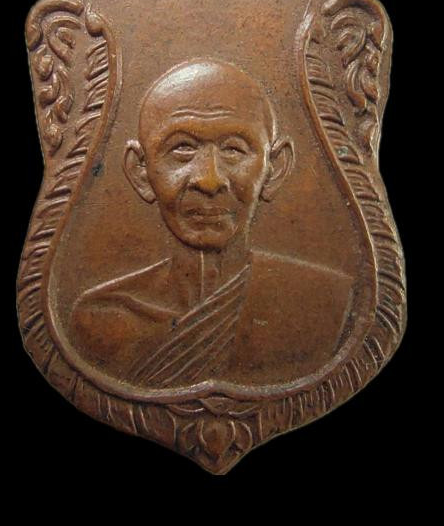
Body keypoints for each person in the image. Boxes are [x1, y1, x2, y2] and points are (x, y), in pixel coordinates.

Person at [70, 59, 354, 388]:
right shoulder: (103, 318)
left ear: (274, 168)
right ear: (140, 172)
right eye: (182, 149)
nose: (209, 180)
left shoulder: (324, 302)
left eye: (234, 149)